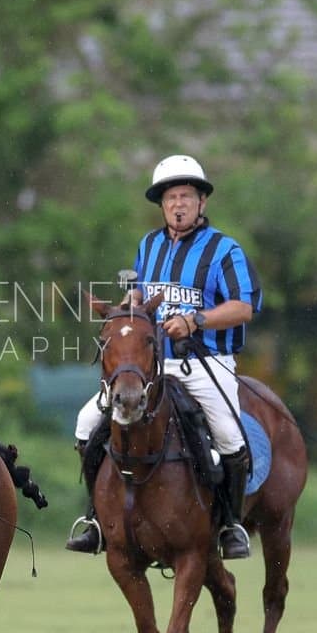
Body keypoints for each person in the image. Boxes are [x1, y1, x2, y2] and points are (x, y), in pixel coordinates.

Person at [66, 155, 260, 560]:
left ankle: (230, 524)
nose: (178, 204)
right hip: (150, 367)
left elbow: (244, 307)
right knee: (86, 423)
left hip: (206, 362)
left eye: (186, 196)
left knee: (228, 435)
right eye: (171, 197)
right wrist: (129, 305)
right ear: (162, 205)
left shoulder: (224, 250)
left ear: (202, 202)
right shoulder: (149, 245)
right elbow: (141, 293)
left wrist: (196, 320)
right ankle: (96, 518)